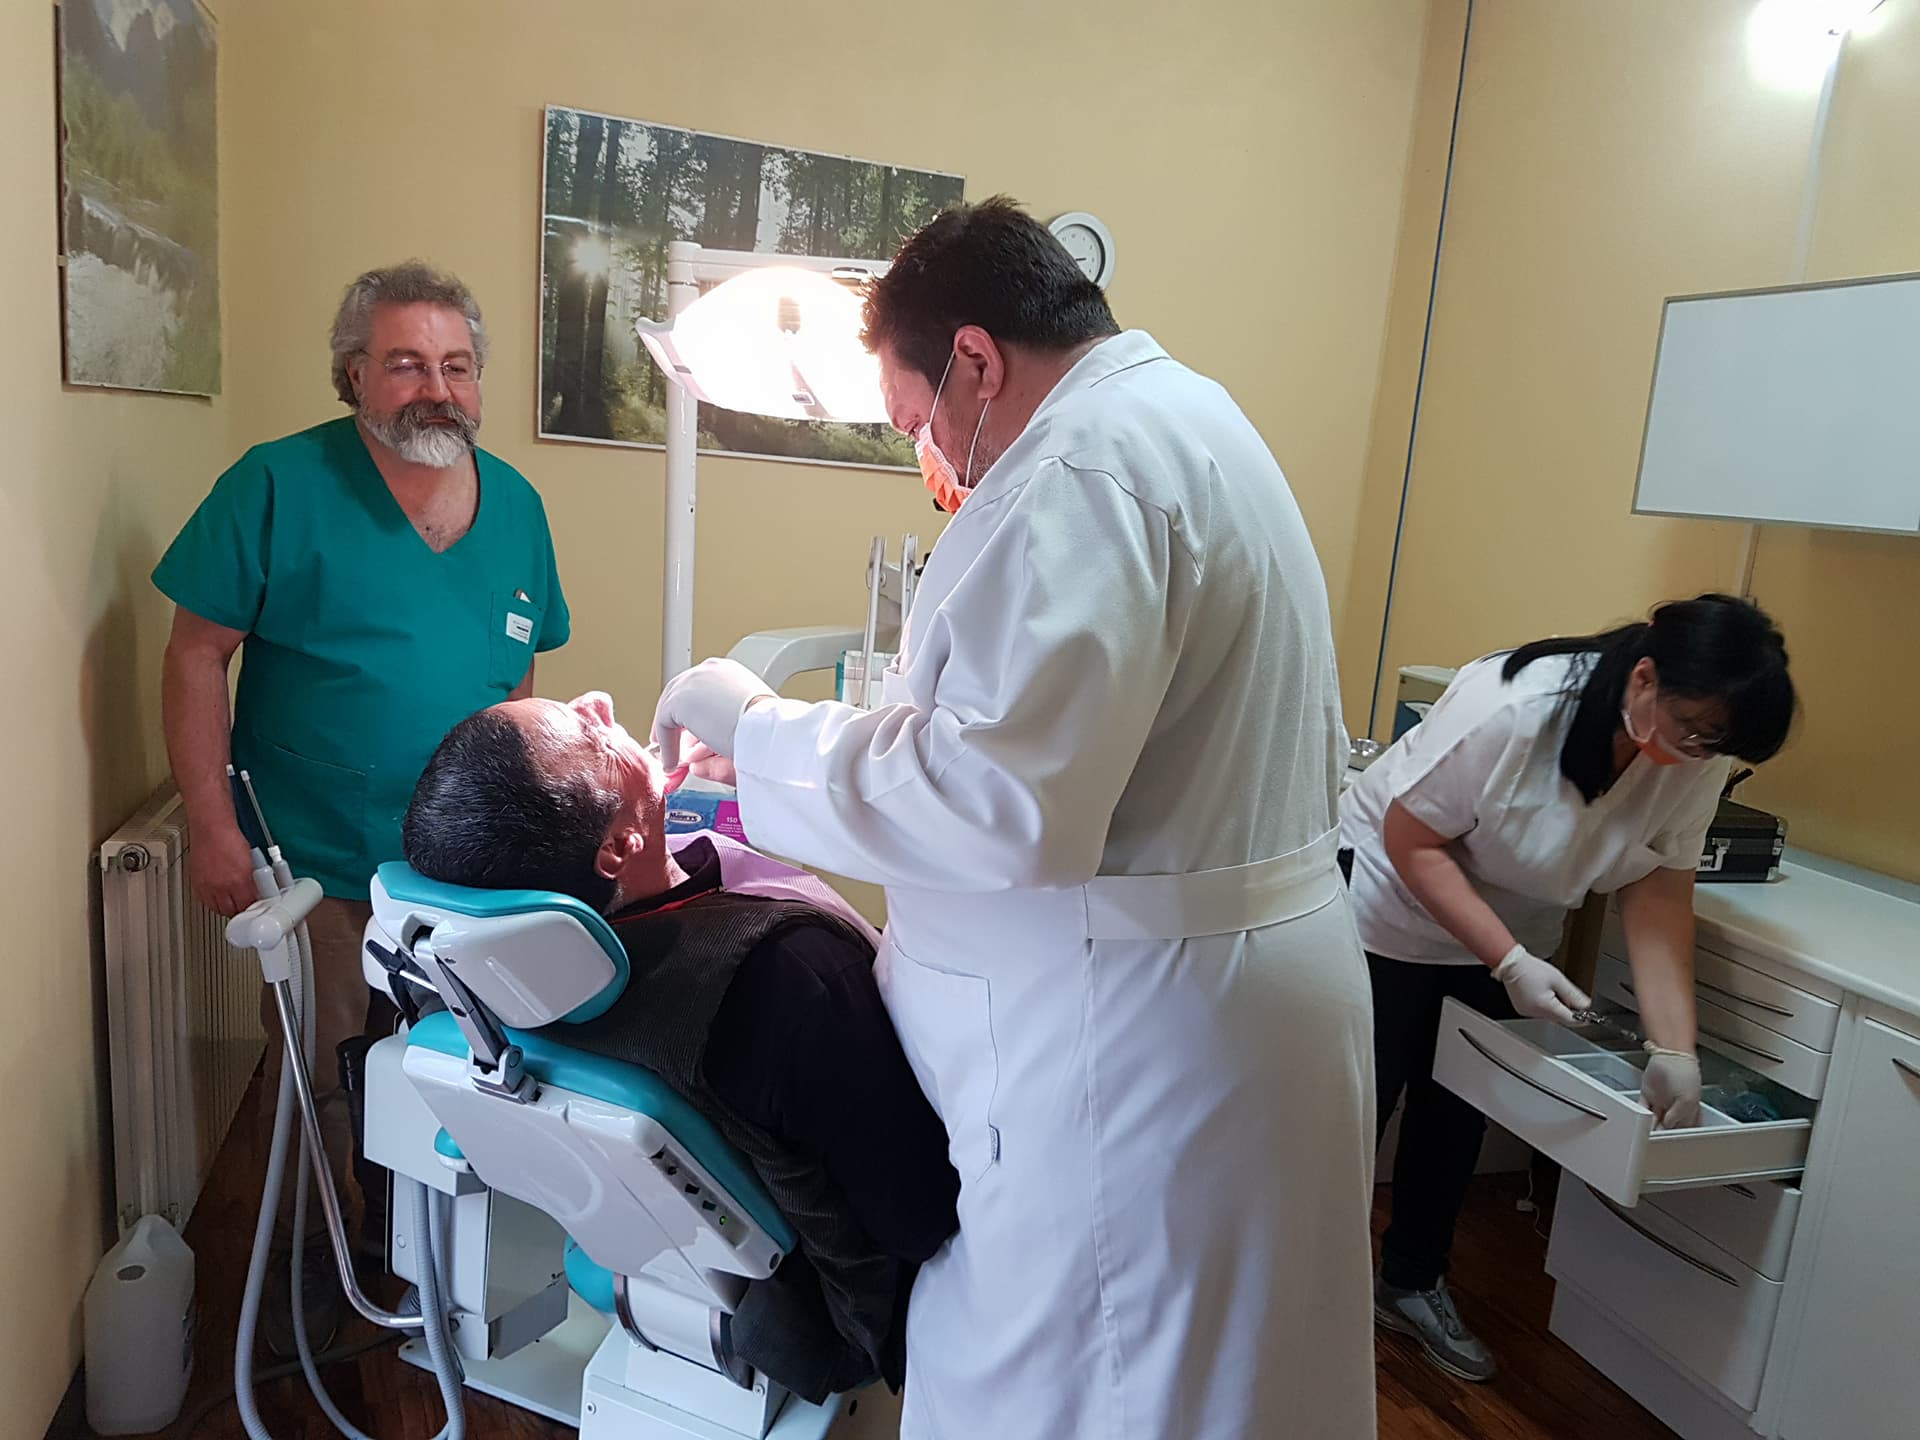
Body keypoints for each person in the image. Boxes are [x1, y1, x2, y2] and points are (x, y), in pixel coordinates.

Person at [651, 198, 1377, 1439]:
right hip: (1223, 1006)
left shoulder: (1072, 474)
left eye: (917, 418)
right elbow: (1039, 737)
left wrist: (760, 730)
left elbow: (1002, 802)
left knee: (1085, 1388)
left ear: (977, 361)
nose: (932, 456)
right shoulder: (1185, 417)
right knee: (1223, 1382)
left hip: (1135, 1044)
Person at [153, 261, 570, 1354]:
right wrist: (211, 823)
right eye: (406, 364)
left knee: (453, 1069)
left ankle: (423, 1252)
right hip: (318, 857)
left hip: (463, 868)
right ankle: (324, 1271)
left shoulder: (516, 508)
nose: (437, 389)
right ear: (353, 375)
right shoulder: (278, 485)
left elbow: (520, 688)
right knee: (328, 1072)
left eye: (457, 366)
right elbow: (195, 655)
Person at [400, 691, 960, 1401]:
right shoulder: (781, 977)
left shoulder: (493, 975)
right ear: (618, 849)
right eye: (586, 731)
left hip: (654, 1252)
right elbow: (923, 1215)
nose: (599, 702)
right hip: (839, 1305)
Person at [1339, 594, 1796, 1382]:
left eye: (1715, 743)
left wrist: (1675, 1048)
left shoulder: (1694, 754)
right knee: (1352, 1110)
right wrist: (1509, 961)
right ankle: (1307, 1291)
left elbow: (1658, 895)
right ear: (1644, 677)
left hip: (1515, 929)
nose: (1699, 753)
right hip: (1389, 906)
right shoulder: (1513, 707)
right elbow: (1411, 839)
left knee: (1457, 1115)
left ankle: (1411, 1282)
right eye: (1693, 730)